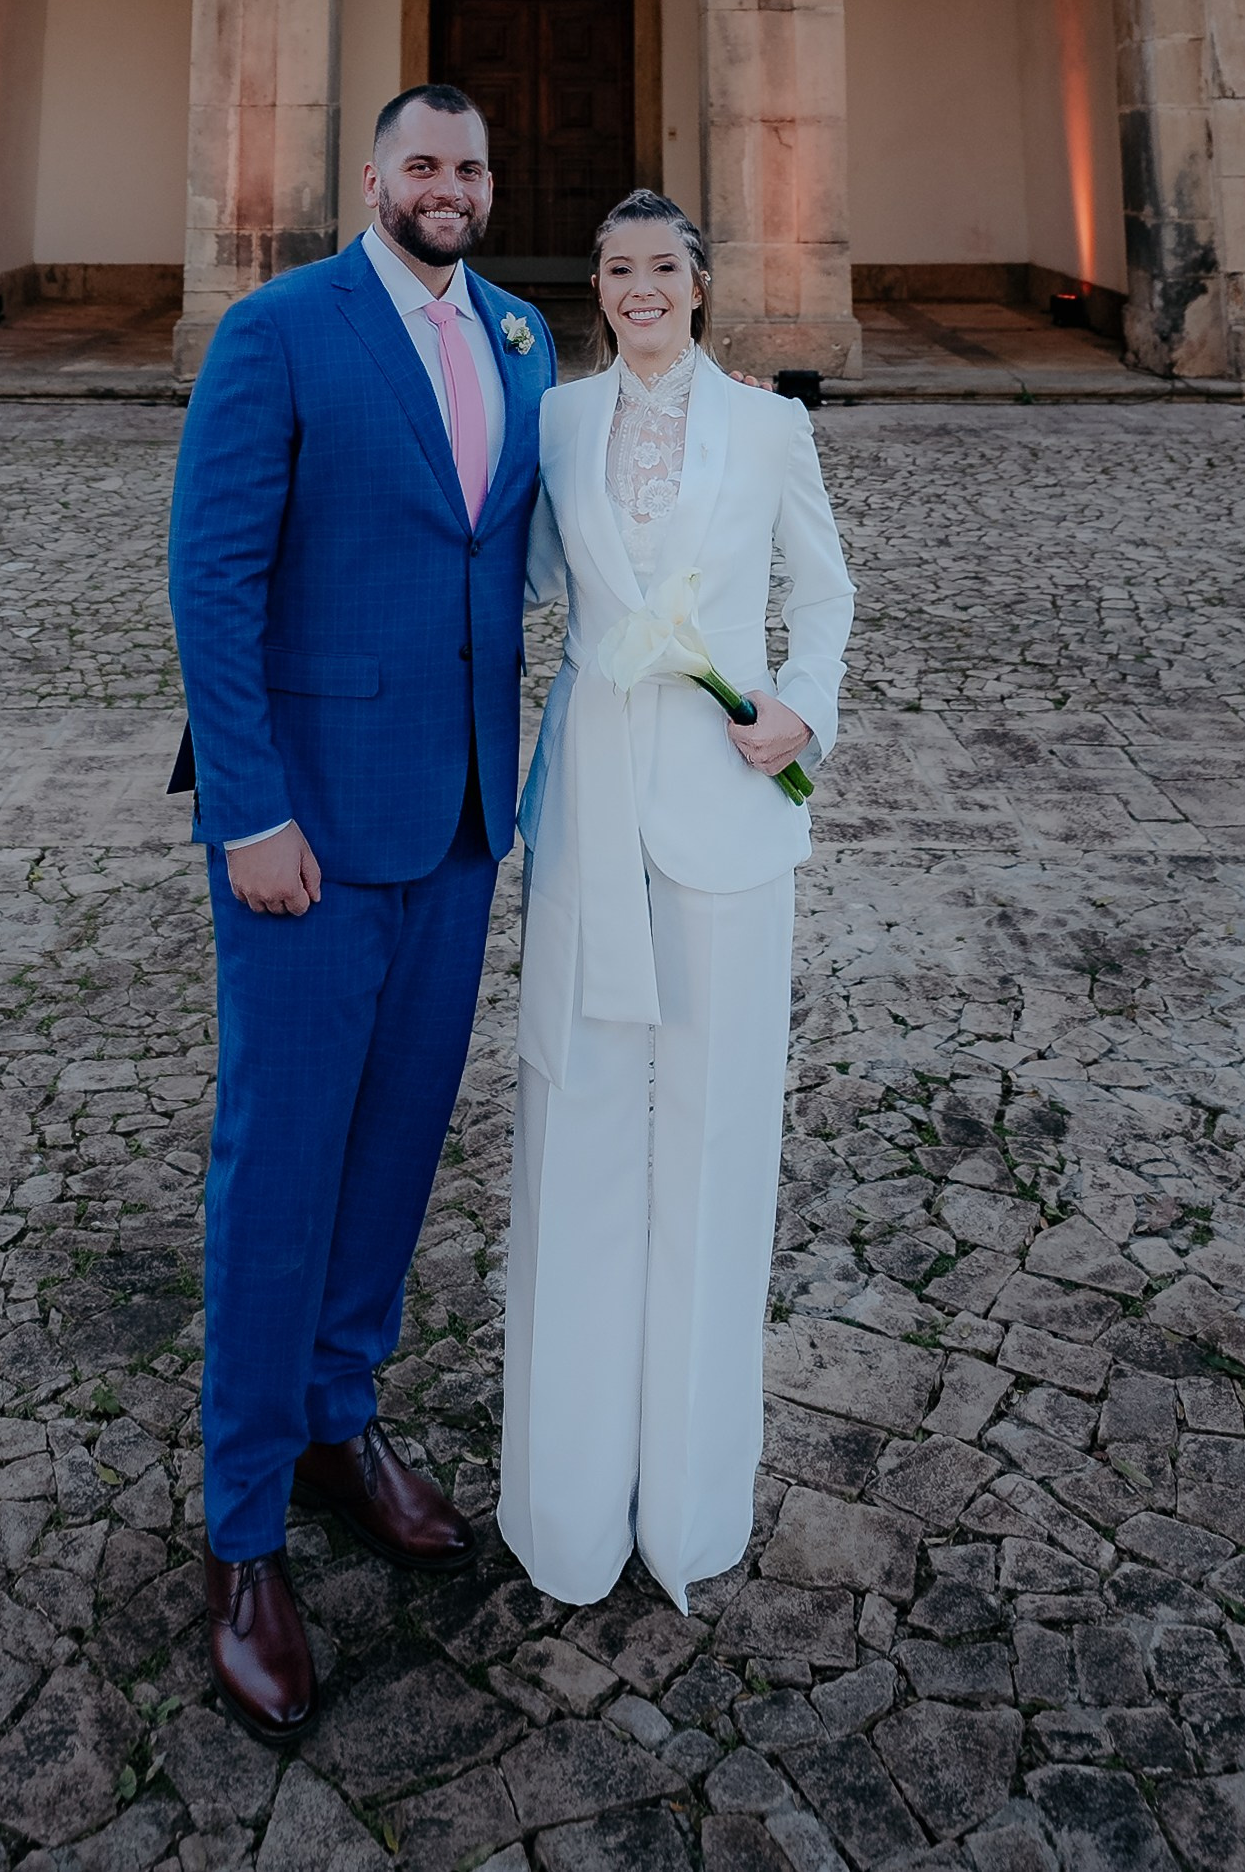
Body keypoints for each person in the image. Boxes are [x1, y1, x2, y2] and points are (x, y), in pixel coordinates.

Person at [167, 87, 555, 1743]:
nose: (448, 189)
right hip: (306, 836)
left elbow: (543, 549)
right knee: (283, 1159)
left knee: (399, 1145)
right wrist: (249, 809)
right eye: (423, 165)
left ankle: (341, 1417)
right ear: (374, 180)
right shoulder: (279, 329)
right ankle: (243, 1528)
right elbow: (211, 574)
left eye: (470, 167)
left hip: (460, 819)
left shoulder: (529, 339)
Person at [501, 189, 853, 1610]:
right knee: (573, 1123)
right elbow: (507, 577)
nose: (640, 287)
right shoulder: (560, 423)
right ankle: (566, 1512)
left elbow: (823, 594)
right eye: (617, 268)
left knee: (715, 1137)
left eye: (664, 267)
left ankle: (692, 1511)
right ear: (595, 287)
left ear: (701, 287)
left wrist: (802, 711)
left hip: (721, 803)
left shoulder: (771, 428)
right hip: (584, 799)